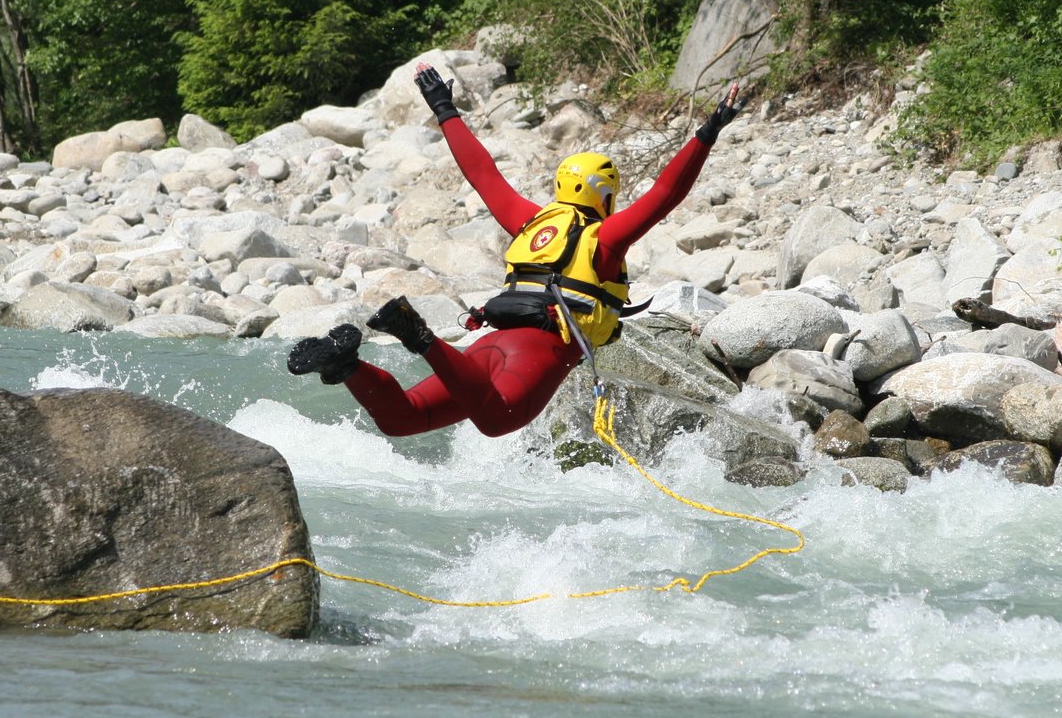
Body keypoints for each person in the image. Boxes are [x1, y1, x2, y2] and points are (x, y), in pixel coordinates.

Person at [287, 62, 744, 438]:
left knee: (404, 418)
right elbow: (666, 192)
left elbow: (482, 173)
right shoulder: (604, 237)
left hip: (492, 340)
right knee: (497, 419)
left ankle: (346, 366)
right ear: (605, 197)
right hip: (541, 348)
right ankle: (420, 337)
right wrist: (709, 129)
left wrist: (444, 108)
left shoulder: (530, 221)